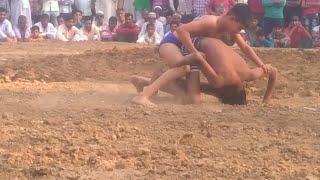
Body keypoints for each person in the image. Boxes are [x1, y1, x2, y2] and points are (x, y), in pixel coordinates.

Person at [131, 4, 270, 107]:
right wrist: (194, 52)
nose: (238, 32)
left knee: (191, 100)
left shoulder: (230, 29)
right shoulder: (211, 22)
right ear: (232, 18)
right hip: (172, 43)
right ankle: (143, 96)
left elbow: (245, 47)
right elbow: (181, 30)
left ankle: (145, 83)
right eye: (239, 28)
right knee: (183, 69)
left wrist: (261, 64)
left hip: (187, 50)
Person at [131, 38, 277, 106]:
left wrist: (266, 99)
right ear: (226, 92)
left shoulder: (249, 74)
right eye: (221, 95)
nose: (217, 94)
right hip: (193, 45)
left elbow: (273, 71)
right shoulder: (219, 81)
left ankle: (147, 82)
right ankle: (151, 86)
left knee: (196, 90)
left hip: (203, 43)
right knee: (192, 99)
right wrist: (177, 63)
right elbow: (197, 58)